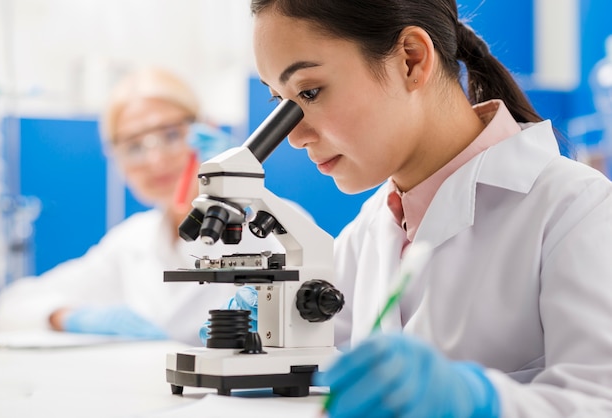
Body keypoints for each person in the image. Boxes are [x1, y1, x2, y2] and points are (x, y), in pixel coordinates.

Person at [247, 1, 612, 417]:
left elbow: (599, 401)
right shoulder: (371, 228)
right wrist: (266, 343)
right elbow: (321, 359)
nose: (294, 136)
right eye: (280, 102)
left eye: (309, 92)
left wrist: (478, 403)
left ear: (411, 60)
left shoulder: (576, 210)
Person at [0, 67, 284, 345]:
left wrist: (238, 185)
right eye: (133, 146)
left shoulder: (270, 222)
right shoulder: (132, 242)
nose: (155, 161)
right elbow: (13, 305)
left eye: (170, 135)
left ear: (204, 130)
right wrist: (72, 317)